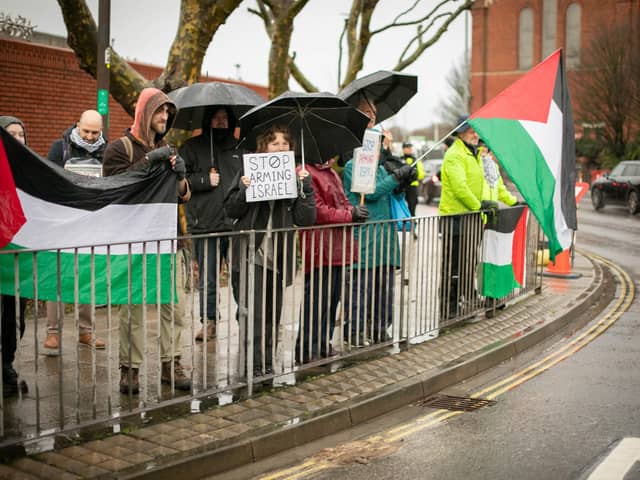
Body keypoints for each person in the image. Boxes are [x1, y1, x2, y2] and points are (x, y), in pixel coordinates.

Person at [103, 87, 192, 394]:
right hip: (134, 243)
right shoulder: (120, 149)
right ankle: (130, 369)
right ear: (144, 112)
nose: (165, 117)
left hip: (170, 242)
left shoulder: (170, 149)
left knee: (175, 308)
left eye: (168, 113)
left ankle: (172, 363)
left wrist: (180, 176)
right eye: (159, 111)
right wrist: (148, 162)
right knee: (134, 310)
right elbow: (114, 188)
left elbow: (184, 196)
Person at [224, 125, 316, 376]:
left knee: (272, 315)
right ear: (264, 146)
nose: (281, 147)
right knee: (252, 313)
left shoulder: (296, 176)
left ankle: (266, 362)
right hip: (250, 254)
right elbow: (231, 209)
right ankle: (251, 365)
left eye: (285, 143)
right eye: (275, 143)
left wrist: (306, 190)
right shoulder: (247, 169)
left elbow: (305, 219)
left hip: (279, 256)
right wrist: (243, 190)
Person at [343, 98, 417, 346]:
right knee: (360, 289)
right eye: (368, 143)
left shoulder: (382, 168)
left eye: (376, 143)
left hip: (385, 240)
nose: (373, 148)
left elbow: (392, 194)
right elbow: (371, 192)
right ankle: (354, 330)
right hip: (365, 239)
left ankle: (379, 327)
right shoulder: (354, 166)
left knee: (384, 289)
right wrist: (395, 179)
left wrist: (403, 182)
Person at [44, 109, 108, 351]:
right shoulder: (59, 148)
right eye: (86, 131)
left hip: (91, 224)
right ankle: (53, 333)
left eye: (95, 132)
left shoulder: (106, 151)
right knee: (57, 279)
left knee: (87, 280)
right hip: (63, 223)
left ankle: (87, 332)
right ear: (78, 126)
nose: (91, 137)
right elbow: (47, 180)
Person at [295, 155, 368, 363]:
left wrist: (354, 212)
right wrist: (349, 215)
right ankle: (307, 348)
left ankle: (323, 344)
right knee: (316, 301)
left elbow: (342, 202)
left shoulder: (331, 172)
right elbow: (318, 211)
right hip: (319, 247)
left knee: (332, 299)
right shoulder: (305, 171)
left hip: (337, 246)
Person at [180, 107, 242, 342]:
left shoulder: (240, 148)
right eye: (215, 117)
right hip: (205, 224)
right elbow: (180, 181)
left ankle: (243, 318)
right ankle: (209, 322)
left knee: (239, 276)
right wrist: (205, 179)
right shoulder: (191, 147)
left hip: (235, 224)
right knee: (208, 278)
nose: (220, 122)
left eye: (225, 117)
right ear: (207, 120)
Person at [438, 115, 498, 319]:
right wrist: (479, 205)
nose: (475, 134)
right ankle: (449, 307)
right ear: (460, 133)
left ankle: (465, 300)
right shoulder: (455, 154)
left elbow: (479, 185)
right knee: (453, 265)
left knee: (467, 263)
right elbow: (459, 187)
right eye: (471, 130)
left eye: (476, 130)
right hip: (455, 219)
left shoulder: (473, 154)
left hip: (470, 218)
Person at [0, 116, 29, 397]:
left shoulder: (34, 175)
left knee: (15, 315)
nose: (17, 139)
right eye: (11, 134)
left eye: (21, 134)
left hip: (19, 258)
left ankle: (6, 361)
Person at [402, 142, 425, 217]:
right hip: (401, 186)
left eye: (410, 148)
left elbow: (421, 174)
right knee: (402, 205)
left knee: (412, 205)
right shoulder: (399, 159)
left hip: (412, 186)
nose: (409, 149)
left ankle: (411, 221)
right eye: (407, 148)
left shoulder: (416, 160)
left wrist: (414, 175)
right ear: (403, 149)